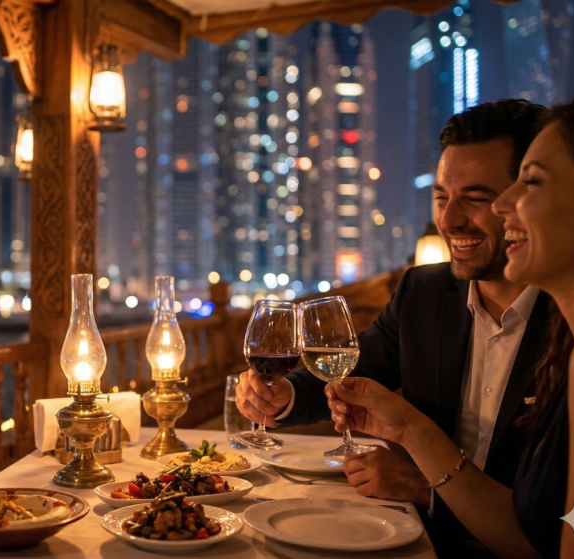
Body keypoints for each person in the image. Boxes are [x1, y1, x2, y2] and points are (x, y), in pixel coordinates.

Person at [236, 99, 551, 554]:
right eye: (441, 196)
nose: (448, 219)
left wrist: (429, 487)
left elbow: (569, 519)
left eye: (477, 198)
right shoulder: (424, 291)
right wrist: (283, 397)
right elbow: (352, 366)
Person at [327, 92, 574, 558]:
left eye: (533, 184)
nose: (507, 207)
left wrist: (416, 451)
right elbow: (545, 527)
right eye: (441, 196)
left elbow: (557, 543)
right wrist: (408, 430)